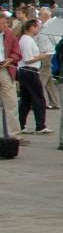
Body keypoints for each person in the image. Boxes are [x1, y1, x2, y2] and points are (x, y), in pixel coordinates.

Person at [16, 18, 51, 135]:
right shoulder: (26, 40)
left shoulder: (27, 39)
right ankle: (40, 125)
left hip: (26, 72)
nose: (38, 29)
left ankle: (20, 124)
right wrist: (41, 56)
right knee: (38, 98)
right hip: (29, 71)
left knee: (26, 99)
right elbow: (27, 59)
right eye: (37, 27)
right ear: (31, 27)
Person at [0, 11, 23, 143]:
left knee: (11, 102)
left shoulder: (9, 34)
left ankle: (14, 135)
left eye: (5, 23)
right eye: (2, 23)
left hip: (5, 68)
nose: (5, 26)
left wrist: (10, 59)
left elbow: (17, 52)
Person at [36, 6, 60, 111]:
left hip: (48, 54)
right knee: (49, 81)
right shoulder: (44, 25)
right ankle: (54, 102)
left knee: (41, 80)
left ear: (45, 15)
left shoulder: (51, 25)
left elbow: (57, 40)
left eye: (39, 14)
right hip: (44, 54)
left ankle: (36, 100)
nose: (38, 16)